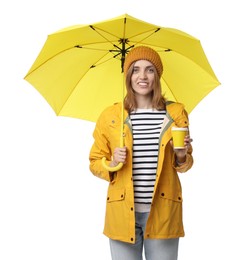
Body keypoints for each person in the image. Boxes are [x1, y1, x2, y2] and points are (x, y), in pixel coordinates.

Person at [89, 46, 193, 260]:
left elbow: (185, 163)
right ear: (128, 76)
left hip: (163, 211)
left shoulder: (175, 113)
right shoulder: (111, 115)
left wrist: (182, 154)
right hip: (122, 211)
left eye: (150, 70)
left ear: (158, 75)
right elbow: (95, 161)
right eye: (135, 70)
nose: (142, 76)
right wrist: (112, 162)